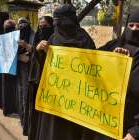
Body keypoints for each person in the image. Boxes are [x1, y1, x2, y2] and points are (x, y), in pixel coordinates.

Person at [96, 7, 139, 140]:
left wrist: (137, 132)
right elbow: (90, 67)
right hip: (105, 124)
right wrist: (112, 60)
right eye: (130, 25)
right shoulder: (113, 46)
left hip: (134, 130)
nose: (133, 30)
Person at [34, 4, 95, 140]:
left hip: (76, 99)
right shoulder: (53, 38)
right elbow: (44, 65)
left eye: (61, 21)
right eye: (56, 21)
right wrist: (39, 51)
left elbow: (93, 68)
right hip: (56, 96)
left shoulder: (84, 39)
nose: (58, 24)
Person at [27, 15, 54, 139]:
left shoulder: (55, 39)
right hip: (36, 81)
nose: (42, 29)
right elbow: (32, 58)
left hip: (52, 84)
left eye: (46, 26)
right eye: (40, 26)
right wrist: (37, 49)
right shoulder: (36, 38)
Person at [16, 17, 35, 126]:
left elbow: (36, 52)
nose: (21, 26)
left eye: (24, 24)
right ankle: (22, 118)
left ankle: (28, 121)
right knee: (20, 92)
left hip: (29, 70)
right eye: (19, 25)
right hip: (19, 68)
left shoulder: (34, 35)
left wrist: (27, 46)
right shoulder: (16, 35)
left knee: (27, 94)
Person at [0, 19, 18, 116]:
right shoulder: (14, 36)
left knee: (8, 86)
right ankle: (10, 107)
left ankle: (8, 107)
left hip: (6, 66)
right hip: (9, 66)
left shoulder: (2, 37)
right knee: (10, 86)